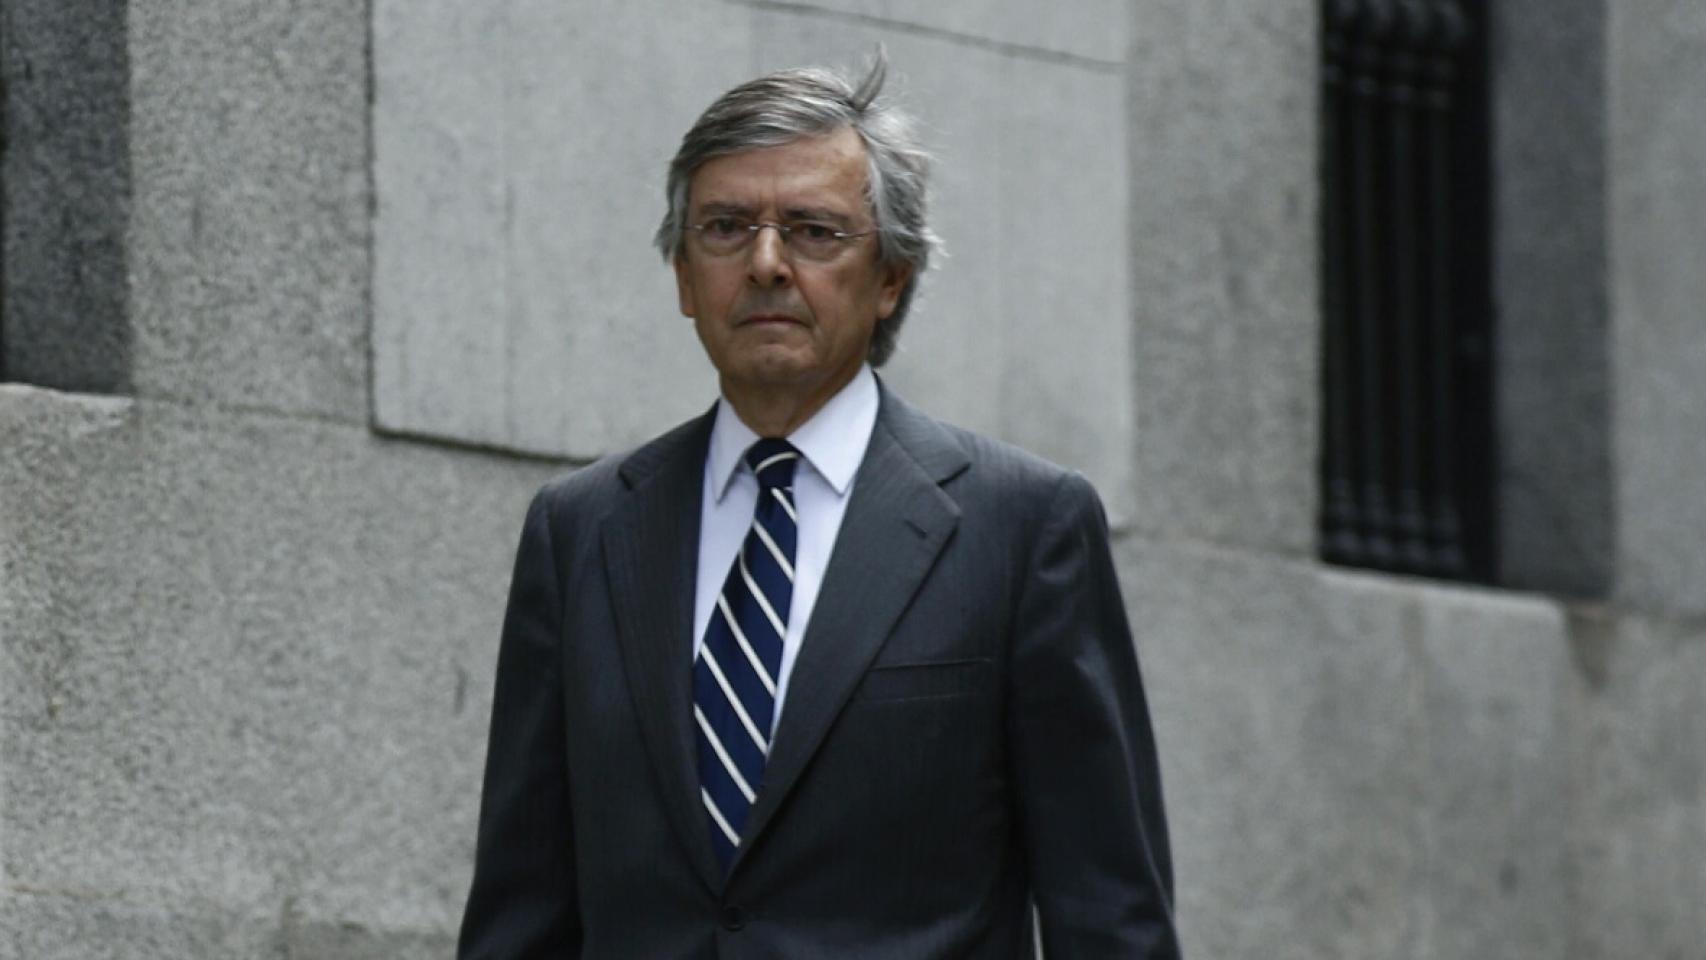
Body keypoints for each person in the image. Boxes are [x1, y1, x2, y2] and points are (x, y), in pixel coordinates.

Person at [458, 51, 1180, 959]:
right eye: (726, 228)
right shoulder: (581, 530)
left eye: (813, 231)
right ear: (683, 275)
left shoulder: (1023, 528)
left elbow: (1109, 917)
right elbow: (522, 913)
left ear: (891, 278)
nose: (766, 263)